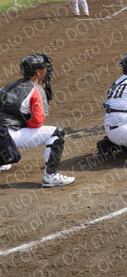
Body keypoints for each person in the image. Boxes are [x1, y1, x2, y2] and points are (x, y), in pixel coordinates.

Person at [0, 54, 75, 187]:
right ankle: (50, 177)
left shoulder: (6, 86)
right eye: (44, 68)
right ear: (38, 72)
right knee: (57, 133)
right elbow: (37, 121)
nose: (47, 70)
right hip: (6, 137)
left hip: (3, 135)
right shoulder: (35, 90)